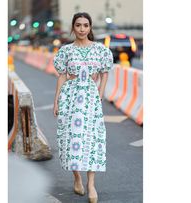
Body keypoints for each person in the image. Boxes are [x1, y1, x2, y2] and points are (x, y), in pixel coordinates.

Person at [53, 12, 113, 203]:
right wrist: (56, 101)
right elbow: (62, 75)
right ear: (73, 28)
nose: (81, 29)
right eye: (78, 25)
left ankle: (91, 184)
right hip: (70, 97)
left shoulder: (100, 50)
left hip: (90, 98)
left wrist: (100, 94)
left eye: (85, 25)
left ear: (90, 28)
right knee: (71, 139)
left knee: (92, 139)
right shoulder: (65, 51)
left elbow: (104, 73)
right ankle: (77, 177)